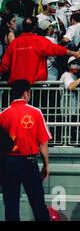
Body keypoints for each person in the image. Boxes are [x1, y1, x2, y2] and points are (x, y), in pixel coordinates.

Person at [0, 80, 51, 221]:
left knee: (11, 205)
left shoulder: (3, 115)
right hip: (29, 162)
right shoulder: (35, 112)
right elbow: (42, 142)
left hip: (7, 163)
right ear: (26, 93)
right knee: (38, 204)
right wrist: (46, 165)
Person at [0, 17, 80, 84]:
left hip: (17, 85)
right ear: (35, 27)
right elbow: (58, 49)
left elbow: (4, 65)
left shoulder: (14, 43)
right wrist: (74, 53)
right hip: (36, 85)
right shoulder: (39, 41)